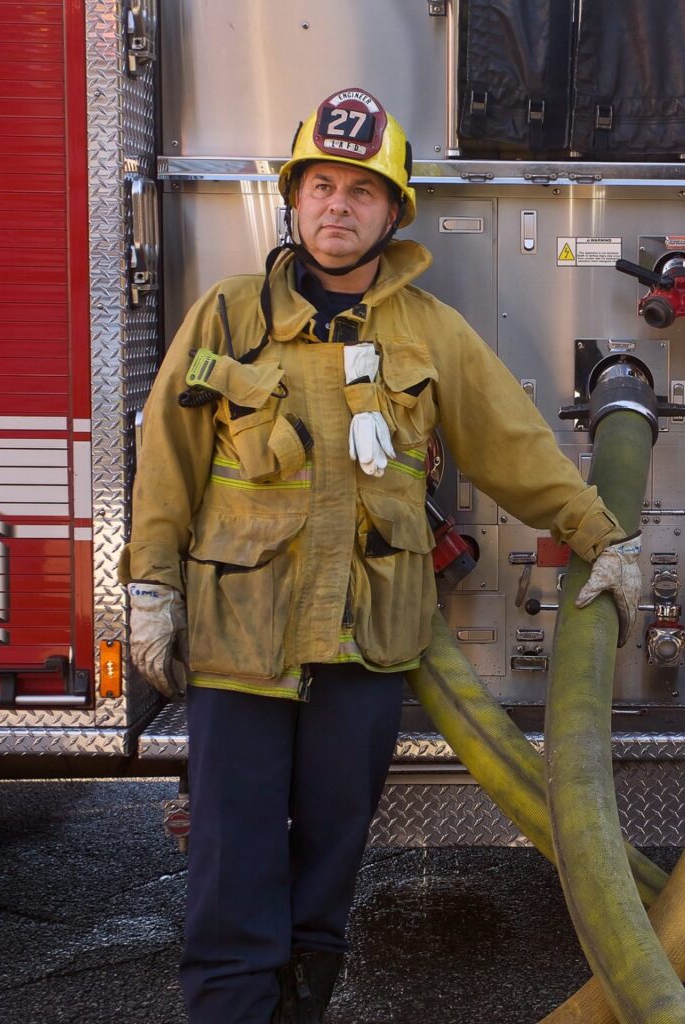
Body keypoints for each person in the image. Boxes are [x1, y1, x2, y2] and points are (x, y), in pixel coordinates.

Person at [118, 87, 643, 1024]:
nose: (337, 208)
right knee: (232, 855)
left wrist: (600, 535)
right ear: (293, 198)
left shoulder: (428, 331)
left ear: (393, 210)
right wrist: (151, 588)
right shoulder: (226, 318)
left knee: (331, 850)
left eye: (361, 192)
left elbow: (512, 446)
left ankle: (300, 1004)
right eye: (320, 185)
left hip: (365, 641)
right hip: (242, 639)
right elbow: (166, 462)